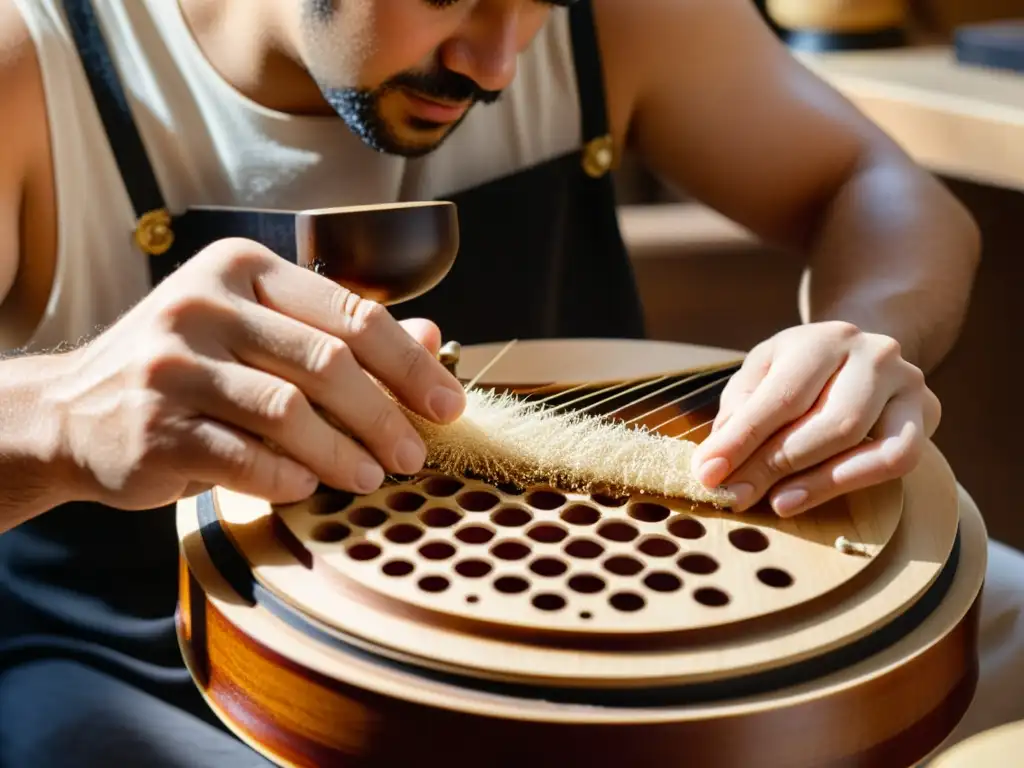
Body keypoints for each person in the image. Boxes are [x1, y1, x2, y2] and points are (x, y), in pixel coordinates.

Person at [0, 0, 1020, 764]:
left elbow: (880, 188)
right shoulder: (29, 66)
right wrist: (60, 416)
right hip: (163, 670)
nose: (495, 61)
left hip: (636, 616)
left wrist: (866, 337)